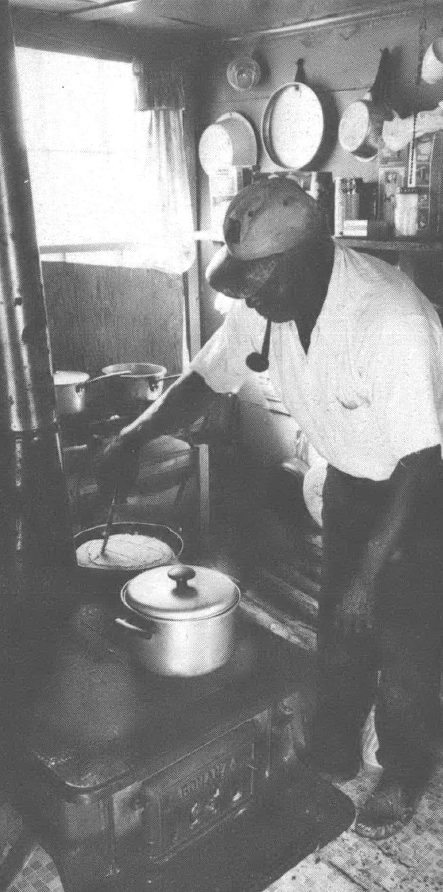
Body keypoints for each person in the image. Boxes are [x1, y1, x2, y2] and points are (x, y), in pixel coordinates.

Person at [94, 176, 443, 839]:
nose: (246, 294)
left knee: (406, 645)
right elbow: (205, 380)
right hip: (353, 478)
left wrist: (372, 574)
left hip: (425, 492)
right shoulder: (268, 300)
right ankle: (335, 745)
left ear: (306, 257)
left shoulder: (387, 321)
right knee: (340, 628)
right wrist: (129, 438)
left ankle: (404, 768)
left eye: (257, 279)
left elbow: (423, 463)